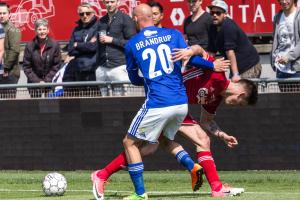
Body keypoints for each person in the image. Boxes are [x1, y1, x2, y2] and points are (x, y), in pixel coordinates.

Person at [208, 0, 262, 83]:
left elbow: (230, 51)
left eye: (218, 13)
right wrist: (207, 67)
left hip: (249, 65)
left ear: (225, 14)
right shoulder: (212, 27)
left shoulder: (228, 26)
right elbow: (211, 52)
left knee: (244, 94)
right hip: (236, 67)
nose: (214, 15)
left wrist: (235, 74)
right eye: (212, 13)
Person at [96, 0, 136, 96]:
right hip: (102, 67)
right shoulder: (101, 21)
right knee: (104, 104)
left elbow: (132, 43)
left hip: (119, 66)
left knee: (122, 103)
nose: (109, 4)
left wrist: (112, 40)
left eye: (112, 1)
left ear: (118, 2)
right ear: (104, 3)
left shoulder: (125, 19)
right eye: (107, 2)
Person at [23, 18, 61, 98]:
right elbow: (27, 67)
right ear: (35, 31)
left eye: (44, 29)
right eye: (39, 29)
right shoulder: (30, 45)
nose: (42, 32)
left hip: (50, 83)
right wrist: (38, 81)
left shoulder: (55, 45)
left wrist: (46, 81)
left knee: (50, 107)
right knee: (35, 107)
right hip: (34, 84)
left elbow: (56, 65)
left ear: (48, 30)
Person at [63, 3, 98, 83]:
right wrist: (87, 45)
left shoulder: (99, 27)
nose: (85, 16)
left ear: (93, 13)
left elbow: (93, 47)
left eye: (87, 13)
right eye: (82, 14)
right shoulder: (76, 29)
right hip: (77, 68)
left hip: (92, 69)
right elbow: (71, 50)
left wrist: (77, 45)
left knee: (93, 95)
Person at [271, 0, 300, 92]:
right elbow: (276, 40)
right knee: (285, 103)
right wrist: (274, 57)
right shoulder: (277, 17)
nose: (284, 1)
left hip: (297, 69)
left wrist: (288, 57)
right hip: (281, 69)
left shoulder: (298, 16)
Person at [0, 2, 21, 98]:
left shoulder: (13, 29)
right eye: (0, 13)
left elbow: (14, 51)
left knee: (8, 105)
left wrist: (5, 67)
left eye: (4, 13)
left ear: (9, 14)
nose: (2, 16)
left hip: (9, 73)